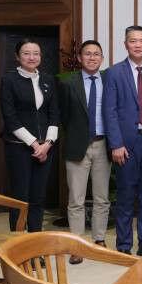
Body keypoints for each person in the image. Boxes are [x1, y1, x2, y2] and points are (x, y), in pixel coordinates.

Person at [103, 25, 142, 256]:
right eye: (133, 41)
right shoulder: (114, 72)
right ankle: (124, 245)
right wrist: (116, 144)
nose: (138, 45)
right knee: (126, 196)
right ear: (125, 43)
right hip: (126, 145)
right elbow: (109, 111)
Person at [58, 40, 111, 264]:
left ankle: (99, 240)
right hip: (77, 145)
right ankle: (76, 244)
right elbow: (61, 116)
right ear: (79, 58)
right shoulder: (68, 82)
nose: (92, 58)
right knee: (76, 199)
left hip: (103, 145)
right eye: (87, 54)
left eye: (96, 54)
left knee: (101, 197)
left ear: (102, 58)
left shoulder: (110, 81)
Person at [0, 38, 59, 232]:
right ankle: (17, 247)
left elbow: (54, 114)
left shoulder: (48, 79)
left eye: (36, 53)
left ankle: (35, 244)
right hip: (19, 146)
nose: (31, 57)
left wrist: (48, 143)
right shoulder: (9, 80)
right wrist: (34, 144)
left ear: (40, 57)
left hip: (46, 147)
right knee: (19, 197)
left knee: (38, 197)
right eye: (26, 53)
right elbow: (10, 117)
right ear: (17, 56)